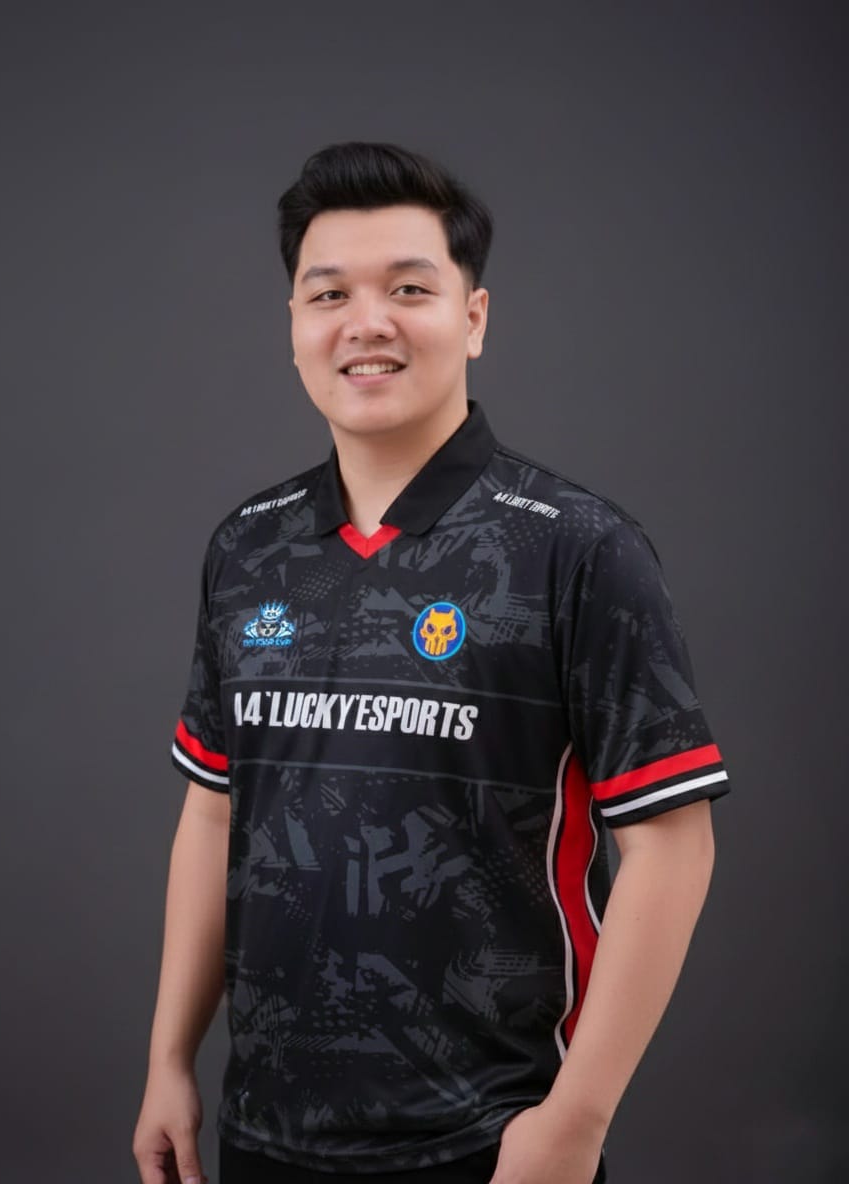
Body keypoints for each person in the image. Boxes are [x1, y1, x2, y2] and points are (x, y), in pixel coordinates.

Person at [133, 142, 729, 1184]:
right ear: (294, 324)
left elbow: (672, 847)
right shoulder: (248, 546)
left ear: (474, 317)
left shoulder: (575, 547)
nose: (366, 322)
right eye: (330, 294)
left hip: (495, 1140)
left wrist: (575, 1121)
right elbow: (217, 814)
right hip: (266, 1133)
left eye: (409, 288)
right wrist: (169, 1059)